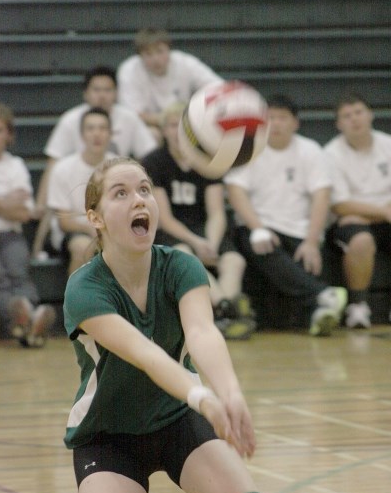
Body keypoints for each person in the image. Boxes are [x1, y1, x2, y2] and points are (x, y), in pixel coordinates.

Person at [63, 156, 342, 493]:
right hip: (108, 436)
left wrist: (229, 393)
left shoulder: (180, 265)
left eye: (144, 189)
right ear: (96, 217)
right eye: (120, 193)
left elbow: (202, 333)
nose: (139, 200)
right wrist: (205, 398)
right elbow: (146, 354)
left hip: (177, 419)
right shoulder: (84, 288)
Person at [225, 94, 347, 336]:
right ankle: (323, 295)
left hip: (300, 230)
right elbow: (236, 192)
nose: (276, 124)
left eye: (282, 118)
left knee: (307, 263)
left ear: (295, 123)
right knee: (261, 244)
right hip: (259, 226)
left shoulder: (310, 150)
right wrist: (258, 228)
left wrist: (313, 241)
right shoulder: (248, 149)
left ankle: (319, 308)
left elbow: (322, 195)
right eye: (270, 118)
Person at [142, 102, 256, 340]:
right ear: (163, 131)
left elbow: (216, 212)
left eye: (183, 126)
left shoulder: (207, 159)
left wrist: (211, 243)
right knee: (186, 256)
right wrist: (196, 242)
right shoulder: (154, 162)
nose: (177, 131)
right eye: (172, 125)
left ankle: (224, 314)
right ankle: (228, 308)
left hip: (205, 227)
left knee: (234, 260)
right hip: (173, 230)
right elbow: (165, 218)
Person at [36, 65, 157, 216]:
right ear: (86, 94)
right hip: (77, 191)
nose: (102, 96)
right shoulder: (70, 120)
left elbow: (149, 157)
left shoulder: (129, 118)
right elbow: (53, 162)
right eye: (96, 90)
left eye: (107, 90)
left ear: (116, 93)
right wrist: (40, 204)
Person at [324, 92, 391, 329]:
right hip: (349, 223)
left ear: (370, 114)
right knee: (361, 240)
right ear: (339, 124)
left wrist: (373, 212)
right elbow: (340, 205)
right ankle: (358, 307)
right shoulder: (331, 154)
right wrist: (382, 212)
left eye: (359, 112)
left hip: (376, 215)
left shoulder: (387, 145)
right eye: (347, 115)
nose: (354, 119)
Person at [0, 102, 55, 347]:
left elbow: (23, 212)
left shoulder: (15, 165)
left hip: (11, 234)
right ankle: (31, 323)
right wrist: (7, 201)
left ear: (9, 135)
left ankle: (27, 317)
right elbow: (15, 206)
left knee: (19, 274)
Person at [116, 28, 222, 141]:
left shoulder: (185, 63)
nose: (155, 59)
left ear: (169, 50)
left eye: (159, 51)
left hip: (187, 122)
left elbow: (218, 87)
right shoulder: (129, 71)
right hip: (151, 127)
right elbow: (134, 114)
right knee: (150, 135)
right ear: (140, 56)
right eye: (148, 54)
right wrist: (170, 121)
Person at [47, 107, 117, 275]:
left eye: (102, 128)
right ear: (81, 134)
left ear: (110, 134)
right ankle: (74, 301)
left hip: (110, 229)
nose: (97, 134)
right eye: (91, 128)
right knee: (82, 247)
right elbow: (63, 220)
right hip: (74, 231)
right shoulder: (63, 168)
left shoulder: (118, 167)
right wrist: (90, 229)